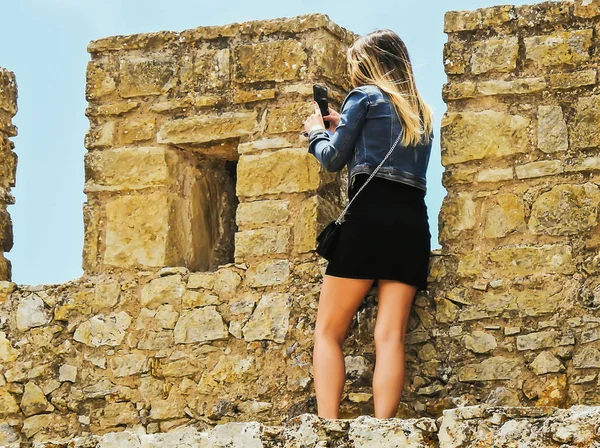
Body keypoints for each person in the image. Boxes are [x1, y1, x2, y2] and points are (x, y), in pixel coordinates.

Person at [303, 29, 433, 419]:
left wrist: (315, 134)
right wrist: (346, 122)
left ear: (371, 64)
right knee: (390, 335)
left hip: (369, 220)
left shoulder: (363, 97)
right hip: (411, 224)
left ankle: (327, 425)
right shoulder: (423, 113)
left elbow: (332, 158)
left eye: (357, 65)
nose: (355, 73)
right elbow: (384, 139)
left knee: (328, 331)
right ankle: (383, 431)